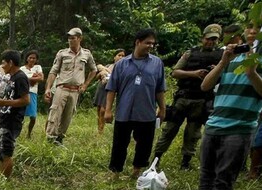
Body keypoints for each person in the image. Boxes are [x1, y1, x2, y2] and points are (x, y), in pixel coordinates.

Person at [179, 42, 262, 190]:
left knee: (224, 178)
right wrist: (223, 62)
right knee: (206, 173)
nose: (251, 34)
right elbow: (205, 85)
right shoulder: (231, 60)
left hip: (240, 128)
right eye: (249, 30)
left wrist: (252, 72)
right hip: (215, 124)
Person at [152, 24, 223, 170]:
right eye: (209, 39)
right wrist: (194, 74)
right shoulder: (190, 53)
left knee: (193, 133)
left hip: (202, 100)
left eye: (214, 40)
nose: (211, 42)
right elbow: (175, 72)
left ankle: (185, 163)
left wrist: (216, 71)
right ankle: (156, 159)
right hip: (183, 98)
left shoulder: (221, 57)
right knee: (169, 130)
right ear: (202, 38)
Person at [105, 28, 166, 177]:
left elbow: (160, 89)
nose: (151, 46)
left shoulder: (157, 64)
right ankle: (115, 172)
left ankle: (137, 171)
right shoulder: (122, 64)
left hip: (146, 112)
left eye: (153, 44)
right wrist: (108, 110)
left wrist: (162, 108)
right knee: (119, 143)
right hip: (124, 111)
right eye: (147, 43)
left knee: (144, 144)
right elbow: (112, 88)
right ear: (138, 42)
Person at [44, 27, 98, 144]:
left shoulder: (86, 54)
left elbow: (94, 70)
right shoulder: (62, 53)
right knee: (55, 113)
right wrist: (48, 88)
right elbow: (53, 71)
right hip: (62, 88)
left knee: (68, 116)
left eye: (73, 38)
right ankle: (50, 139)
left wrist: (85, 85)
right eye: (69, 38)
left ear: (79, 38)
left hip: (75, 90)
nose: (70, 40)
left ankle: (59, 139)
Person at [0, 50, 30, 177]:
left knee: (7, 152)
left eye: (4, 62)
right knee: (1, 152)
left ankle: (5, 180)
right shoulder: (11, 77)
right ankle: (1, 177)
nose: (2, 66)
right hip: (5, 118)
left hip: (12, 121)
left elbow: (26, 100)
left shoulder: (20, 78)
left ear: (11, 62)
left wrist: (4, 102)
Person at [93, 49, 126, 135]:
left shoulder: (123, 68)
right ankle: (99, 130)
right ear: (114, 57)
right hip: (101, 89)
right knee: (99, 110)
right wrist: (101, 74)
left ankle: (101, 130)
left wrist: (106, 71)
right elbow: (97, 77)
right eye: (119, 55)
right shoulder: (108, 65)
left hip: (110, 91)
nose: (121, 57)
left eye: (123, 56)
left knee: (103, 111)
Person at [19, 51, 44, 138]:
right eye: (30, 57)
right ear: (27, 58)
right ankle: (17, 132)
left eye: (34, 58)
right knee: (20, 115)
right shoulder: (22, 69)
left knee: (33, 116)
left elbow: (41, 78)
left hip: (33, 92)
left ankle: (29, 133)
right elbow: (20, 80)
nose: (32, 59)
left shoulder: (38, 67)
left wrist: (29, 78)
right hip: (23, 92)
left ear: (36, 59)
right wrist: (33, 77)